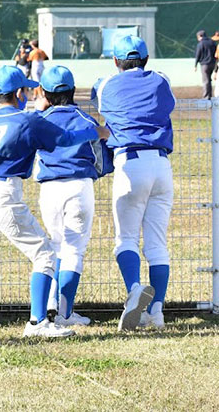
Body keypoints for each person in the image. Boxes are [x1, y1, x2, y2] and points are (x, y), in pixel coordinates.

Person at [0, 65, 108, 339]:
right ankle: (38, 321)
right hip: (4, 191)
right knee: (45, 254)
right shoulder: (27, 120)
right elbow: (63, 139)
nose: (29, 95)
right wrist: (96, 133)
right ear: (18, 93)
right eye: (27, 90)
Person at [93, 34, 175, 330]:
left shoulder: (106, 85)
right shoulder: (161, 80)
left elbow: (100, 104)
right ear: (147, 59)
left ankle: (134, 290)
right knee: (157, 245)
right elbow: (168, 102)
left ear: (115, 61)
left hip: (130, 162)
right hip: (162, 164)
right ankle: (156, 313)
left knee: (125, 239)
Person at [35, 65, 111, 327]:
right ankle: (65, 314)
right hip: (79, 187)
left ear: (44, 92)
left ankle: (52, 306)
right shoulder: (86, 120)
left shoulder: (40, 121)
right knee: (74, 251)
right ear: (73, 90)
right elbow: (100, 161)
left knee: (57, 247)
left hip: (49, 190)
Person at [193, 29, 216, 99]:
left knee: (206, 81)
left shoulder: (201, 44)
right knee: (209, 80)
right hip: (213, 64)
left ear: (200, 36)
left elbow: (198, 54)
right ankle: (210, 95)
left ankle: (206, 97)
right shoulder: (212, 42)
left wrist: (195, 65)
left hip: (204, 65)